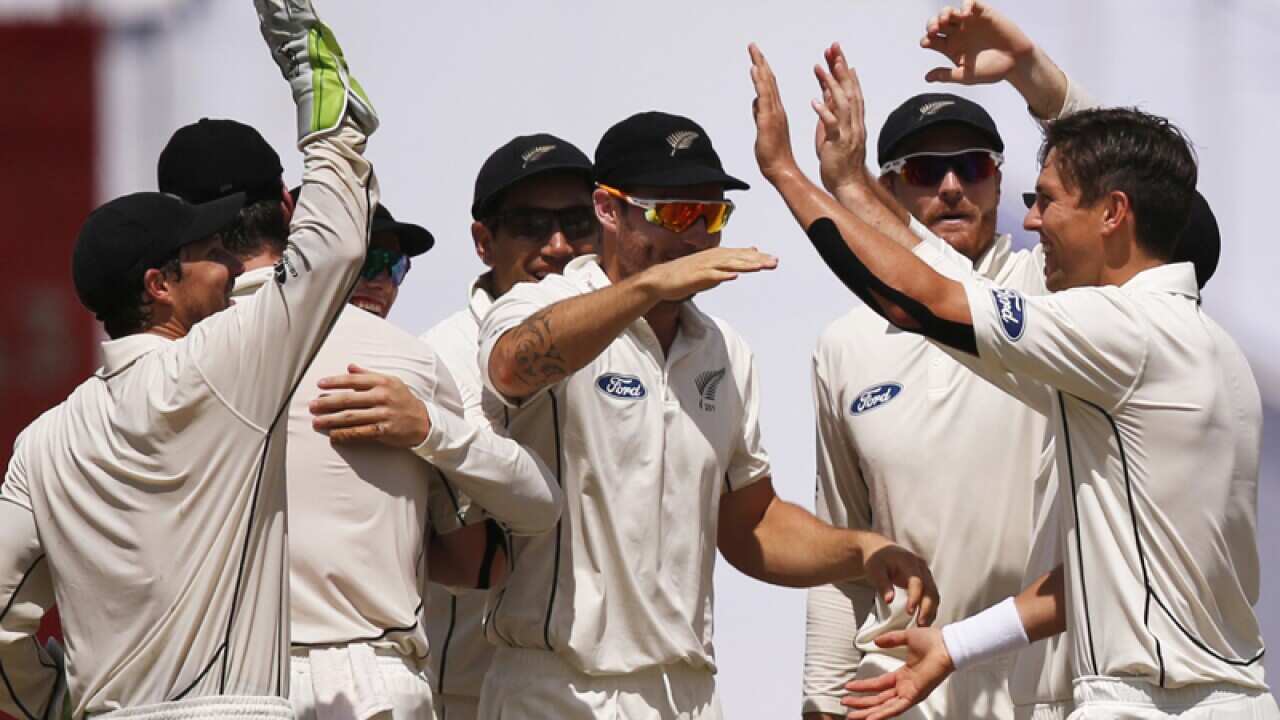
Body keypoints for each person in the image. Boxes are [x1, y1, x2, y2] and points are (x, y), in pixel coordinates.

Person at [748, 36, 1277, 720]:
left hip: (1144, 702)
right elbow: (1077, 579)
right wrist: (955, 645)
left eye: (1045, 200)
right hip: (1226, 697)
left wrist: (787, 173)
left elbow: (930, 297)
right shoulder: (1208, 346)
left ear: (1114, 214)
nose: (1031, 220)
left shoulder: (1114, 334)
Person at [469, 110, 938, 720]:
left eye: (712, 215)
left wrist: (864, 549)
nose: (697, 236)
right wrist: (650, 286)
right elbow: (510, 366)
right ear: (608, 210)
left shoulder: (722, 350)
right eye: (675, 213)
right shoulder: (540, 303)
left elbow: (751, 524)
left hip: (685, 693)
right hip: (557, 688)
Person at [0, 0, 378, 716]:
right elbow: (336, 246)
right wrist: (322, 104)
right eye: (209, 254)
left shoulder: (42, 442)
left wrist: (49, 700)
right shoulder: (222, 368)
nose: (230, 266)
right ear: (159, 285)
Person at [159, 95, 563, 720]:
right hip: (370, 682)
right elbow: (516, 527)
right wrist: (428, 439)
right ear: (291, 211)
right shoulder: (404, 361)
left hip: (213, 684)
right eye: (370, 259)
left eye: (392, 264)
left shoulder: (153, 374)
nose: (380, 280)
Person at [421, 133, 599, 720]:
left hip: (606, 692)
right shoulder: (438, 357)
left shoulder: (629, 344)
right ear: (482, 240)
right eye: (528, 224)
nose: (558, 246)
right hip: (462, 693)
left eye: (578, 222)